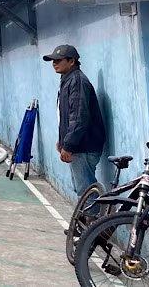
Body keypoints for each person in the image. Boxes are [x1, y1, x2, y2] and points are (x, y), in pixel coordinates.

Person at [43, 44, 106, 198]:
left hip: (83, 146)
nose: (54, 63)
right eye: (53, 60)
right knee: (83, 189)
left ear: (72, 61)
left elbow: (78, 117)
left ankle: (93, 222)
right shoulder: (68, 80)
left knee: (86, 191)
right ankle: (91, 220)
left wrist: (69, 144)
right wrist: (62, 140)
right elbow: (67, 115)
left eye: (58, 60)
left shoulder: (76, 81)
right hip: (79, 145)